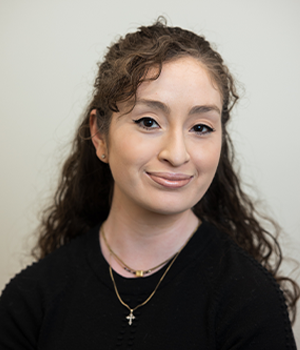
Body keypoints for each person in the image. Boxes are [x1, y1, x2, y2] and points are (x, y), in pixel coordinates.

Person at [0, 17, 299, 349]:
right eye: (148, 121)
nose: (176, 153)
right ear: (100, 136)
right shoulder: (29, 299)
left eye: (200, 127)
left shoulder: (249, 300)